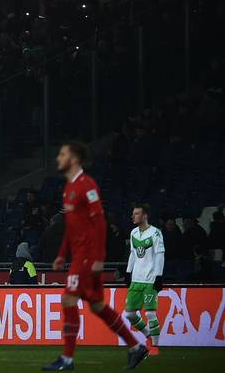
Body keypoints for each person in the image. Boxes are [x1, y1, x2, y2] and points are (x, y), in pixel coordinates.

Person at [41, 142, 148, 370]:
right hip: (78, 255)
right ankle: (136, 347)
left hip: (88, 256)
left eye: (63, 154)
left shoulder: (87, 185)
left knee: (68, 300)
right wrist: (61, 254)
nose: (59, 157)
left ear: (74, 159)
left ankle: (67, 359)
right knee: (98, 306)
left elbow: (99, 222)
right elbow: (71, 227)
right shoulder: (68, 188)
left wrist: (99, 257)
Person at [125, 203, 165, 353]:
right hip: (136, 279)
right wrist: (128, 272)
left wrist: (159, 276)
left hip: (150, 279)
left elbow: (160, 255)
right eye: (133, 213)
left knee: (150, 313)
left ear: (145, 216)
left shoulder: (156, 233)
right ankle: (148, 335)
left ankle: (155, 347)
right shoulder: (133, 232)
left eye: (136, 213)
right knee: (129, 314)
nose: (133, 216)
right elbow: (133, 254)